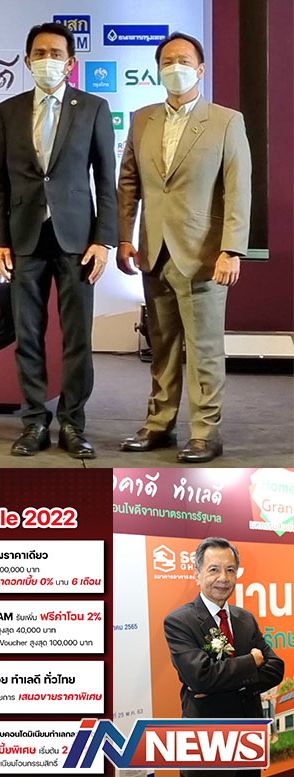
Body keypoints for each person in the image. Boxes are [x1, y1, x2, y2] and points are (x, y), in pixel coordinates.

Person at [117, 32, 251, 463]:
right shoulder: (142, 119)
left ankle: (205, 432)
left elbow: (238, 189)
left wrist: (232, 249)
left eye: (184, 60)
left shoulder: (226, 121)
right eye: (167, 61)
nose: (175, 67)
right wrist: (124, 237)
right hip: (153, 251)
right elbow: (128, 182)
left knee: (205, 349)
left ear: (200, 69)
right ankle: (160, 424)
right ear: (158, 70)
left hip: (204, 255)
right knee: (163, 347)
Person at [0, 22, 116, 459]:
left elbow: (106, 178)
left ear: (71, 62)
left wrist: (104, 239)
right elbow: (0, 182)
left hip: (78, 240)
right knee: (27, 334)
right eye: (40, 53)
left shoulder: (93, 107)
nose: (47, 60)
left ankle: (73, 424)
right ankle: (33, 422)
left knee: (77, 337)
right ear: (27, 61)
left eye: (56, 53)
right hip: (24, 237)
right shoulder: (7, 110)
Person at [163, 537, 283, 777]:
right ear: (197, 574)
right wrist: (252, 661)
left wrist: (223, 683)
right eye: (213, 570)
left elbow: (276, 668)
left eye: (230, 570)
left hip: (248, 745)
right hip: (207, 752)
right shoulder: (179, 622)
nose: (223, 578)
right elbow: (201, 677)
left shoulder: (245, 618)